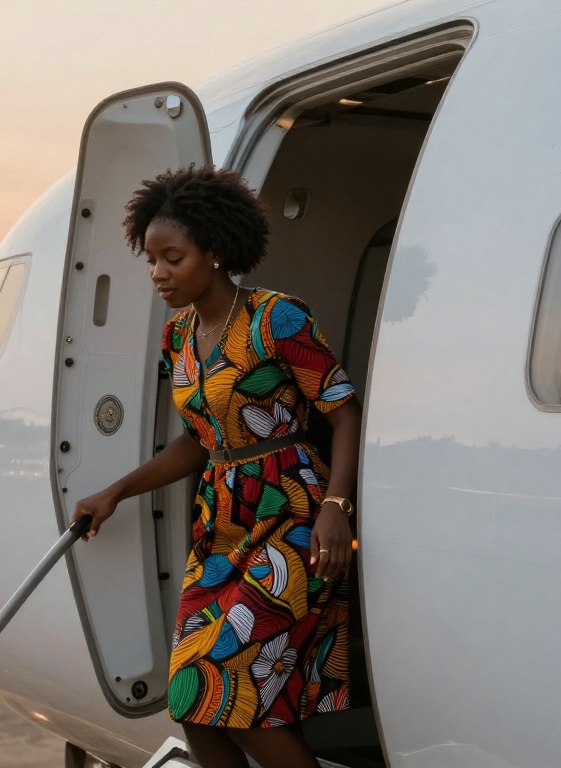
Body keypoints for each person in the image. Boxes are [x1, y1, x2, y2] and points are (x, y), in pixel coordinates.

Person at [74, 166, 361, 768]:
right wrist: (116, 491)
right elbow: (200, 441)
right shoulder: (178, 339)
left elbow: (343, 412)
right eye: (151, 260)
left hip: (292, 515)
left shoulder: (278, 318)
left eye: (172, 258)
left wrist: (337, 506)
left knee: (233, 697)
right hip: (221, 526)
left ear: (215, 250)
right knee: (188, 699)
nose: (159, 273)